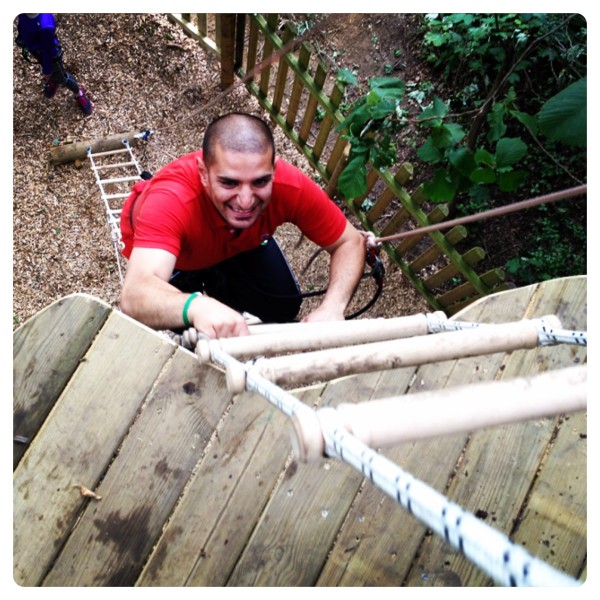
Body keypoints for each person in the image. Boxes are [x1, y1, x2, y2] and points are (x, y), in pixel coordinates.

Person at [119, 112, 366, 339]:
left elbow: (349, 241)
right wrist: (195, 306)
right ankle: (208, 291)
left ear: (274, 171)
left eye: (260, 182)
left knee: (283, 306)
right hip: (179, 256)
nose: (246, 201)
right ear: (203, 174)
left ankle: (221, 288)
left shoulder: (288, 186)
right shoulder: (172, 200)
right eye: (229, 183)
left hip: (238, 243)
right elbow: (135, 293)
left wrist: (333, 307)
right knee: (189, 327)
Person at [15, 13, 93, 116]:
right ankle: (53, 80)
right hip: (37, 52)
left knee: (62, 78)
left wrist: (47, 71)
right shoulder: (23, 14)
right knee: (52, 73)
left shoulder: (45, 24)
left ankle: (79, 92)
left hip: (51, 57)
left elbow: (49, 50)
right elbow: (22, 26)